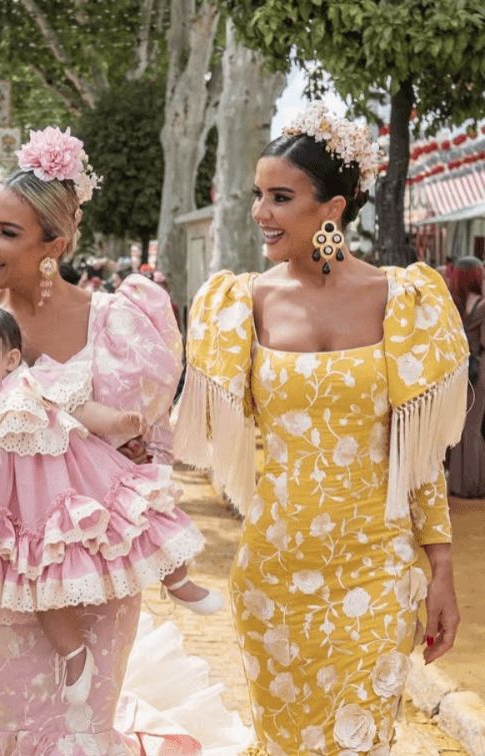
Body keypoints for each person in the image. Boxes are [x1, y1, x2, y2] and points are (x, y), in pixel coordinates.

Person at [0, 126, 207, 752]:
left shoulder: (118, 322)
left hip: (95, 570)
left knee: (85, 727)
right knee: (14, 723)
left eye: (6, 232)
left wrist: (122, 439)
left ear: (56, 244)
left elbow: (141, 448)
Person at [176, 103, 464, 754]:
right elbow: (197, 435)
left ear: (331, 207)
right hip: (274, 575)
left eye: (280, 197)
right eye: (257, 196)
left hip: (376, 570)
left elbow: (418, 456)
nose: (260, 213)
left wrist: (440, 570)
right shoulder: (238, 303)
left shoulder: (406, 299)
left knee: (361, 742)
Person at [0, 304, 218, 700]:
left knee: (139, 514)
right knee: (43, 586)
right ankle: (74, 655)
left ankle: (178, 579)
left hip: (75, 488)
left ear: (10, 360)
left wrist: (116, 422)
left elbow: (80, 409)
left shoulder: (29, 386)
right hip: (20, 521)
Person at [448, 256, 485, 497]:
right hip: (479, 369)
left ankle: (459, 484)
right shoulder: (482, 306)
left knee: (460, 426)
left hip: (458, 371)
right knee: (474, 427)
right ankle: (474, 484)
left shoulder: (454, 305)